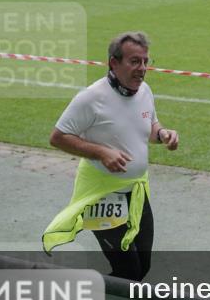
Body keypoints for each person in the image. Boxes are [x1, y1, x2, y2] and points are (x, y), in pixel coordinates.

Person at [43, 32, 178, 281]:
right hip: (102, 196)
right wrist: (101, 152)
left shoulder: (145, 91)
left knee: (142, 266)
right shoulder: (92, 98)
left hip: (136, 192)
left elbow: (149, 126)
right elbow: (58, 137)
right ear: (113, 63)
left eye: (146, 61)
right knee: (130, 271)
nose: (142, 69)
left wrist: (163, 134)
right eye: (134, 61)